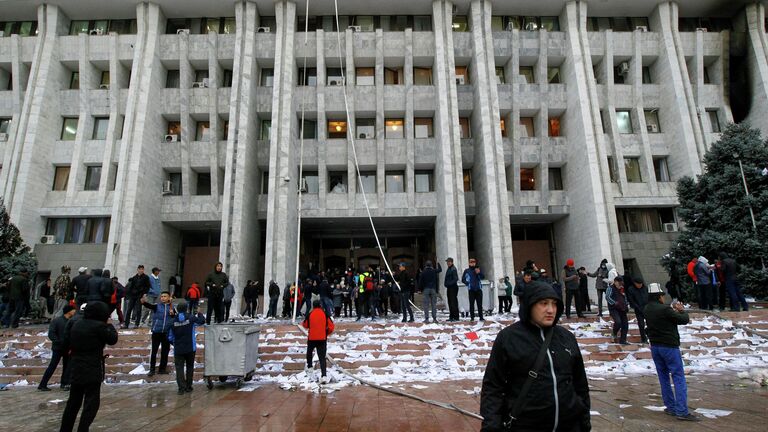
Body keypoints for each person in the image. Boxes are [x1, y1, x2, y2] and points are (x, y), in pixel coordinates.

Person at [480, 281, 590, 431]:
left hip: (569, 426)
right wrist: (491, 427)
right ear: (530, 305)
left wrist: (584, 422)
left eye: (554, 304)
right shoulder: (509, 338)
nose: (550, 310)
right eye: (544, 303)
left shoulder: (566, 337)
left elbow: (580, 385)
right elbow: (493, 387)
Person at [59, 301, 118, 432]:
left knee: (73, 402)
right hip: (92, 366)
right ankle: (83, 428)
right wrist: (110, 325)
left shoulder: (77, 323)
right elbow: (112, 339)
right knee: (91, 403)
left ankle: (65, 429)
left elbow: (66, 342)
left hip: (76, 365)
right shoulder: (100, 326)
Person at [644, 283, 700, 421]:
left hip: (655, 347)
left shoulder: (647, 309)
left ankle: (670, 407)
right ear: (659, 296)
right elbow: (684, 320)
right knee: (678, 377)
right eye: (662, 295)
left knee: (663, 378)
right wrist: (681, 310)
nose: (664, 298)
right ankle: (682, 411)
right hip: (669, 347)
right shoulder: (664, 309)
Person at [167, 302, 205, 395]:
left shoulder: (173, 321)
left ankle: (181, 388)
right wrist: (199, 313)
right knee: (190, 367)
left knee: (179, 368)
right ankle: (188, 386)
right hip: (190, 347)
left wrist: (175, 344)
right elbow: (201, 321)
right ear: (187, 309)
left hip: (178, 348)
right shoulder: (191, 318)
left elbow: (170, 337)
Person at [38, 305, 76, 391]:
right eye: (73, 310)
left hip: (67, 348)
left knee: (67, 367)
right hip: (58, 348)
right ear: (69, 311)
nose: (74, 312)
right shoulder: (57, 321)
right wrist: (59, 341)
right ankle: (43, 384)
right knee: (53, 366)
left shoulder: (71, 321)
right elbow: (51, 333)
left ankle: (64, 383)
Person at [141, 291, 175, 376]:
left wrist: (172, 314)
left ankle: (162, 369)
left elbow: (174, 318)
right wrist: (144, 302)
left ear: (168, 298)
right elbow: (149, 305)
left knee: (165, 351)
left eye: (165, 296)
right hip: (157, 332)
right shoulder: (157, 306)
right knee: (154, 351)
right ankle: (152, 369)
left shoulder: (172, 307)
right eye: (162, 296)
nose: (163, 298)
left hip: (166, 333)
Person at [302, 299, 335, 384]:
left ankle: (310, 367)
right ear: (320, 305)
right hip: (322, 339)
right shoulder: (325, 314)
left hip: (312, 338)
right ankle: (324, 375)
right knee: (322, 357)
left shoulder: (310, 314)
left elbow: (305, 325)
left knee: (309, 352)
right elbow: (331, 326)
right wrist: (326, 333)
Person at [606, 276, 629, 345]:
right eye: (619, 283)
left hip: (622, 308)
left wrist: (626, 304)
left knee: (625, 324)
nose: (620, 285)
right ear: (615, 282)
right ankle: (614, 333)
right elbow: (608, 297)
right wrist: (614, 303)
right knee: (618, 322)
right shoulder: (610, 288)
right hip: (614, 309)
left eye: (621, 283)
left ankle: (623, 340)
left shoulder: (622, 288)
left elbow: (625, 297)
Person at [627, 277, 649, 344]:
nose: (640, 285)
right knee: (641, 324)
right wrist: (636, 307)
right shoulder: (631, 289)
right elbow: (631, 300)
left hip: (646, 308)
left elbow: (648, 297)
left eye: (641, 284)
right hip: (638, 309)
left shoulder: (645, 288)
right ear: (635, 283)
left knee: (650, 323)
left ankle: (647, 333)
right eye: (638, 284)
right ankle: (643, 338)